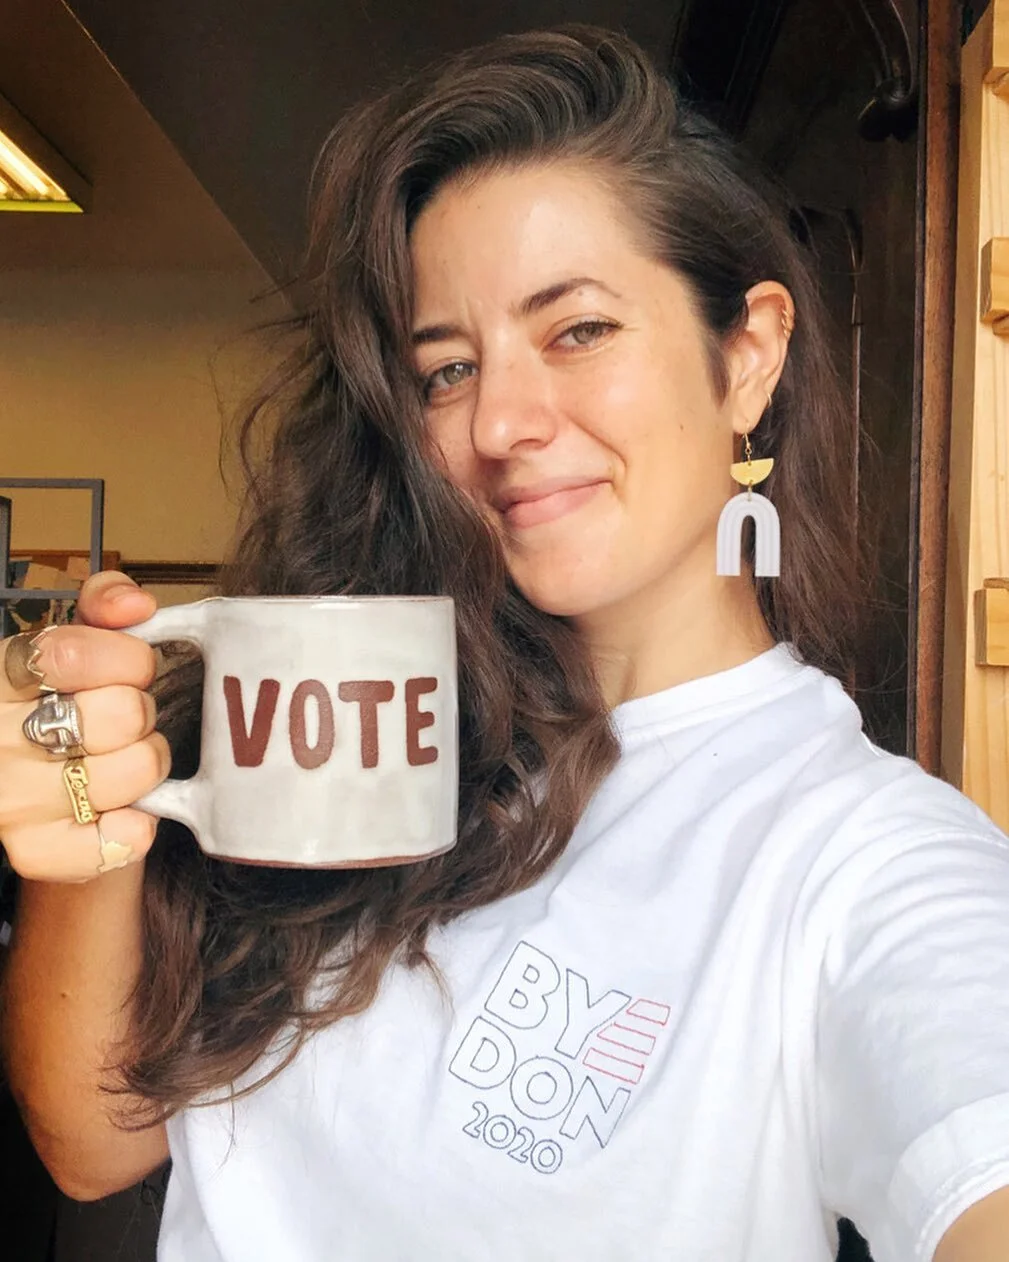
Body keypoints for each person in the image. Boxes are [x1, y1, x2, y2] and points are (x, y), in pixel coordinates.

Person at [2, 25, 1009, 1262]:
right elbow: (93, 1140)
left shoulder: (856, 855)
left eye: (577, 329)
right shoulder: (364, 723)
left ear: (746, 357)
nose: (498, 423)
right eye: (446, 370)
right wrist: (88, 831)